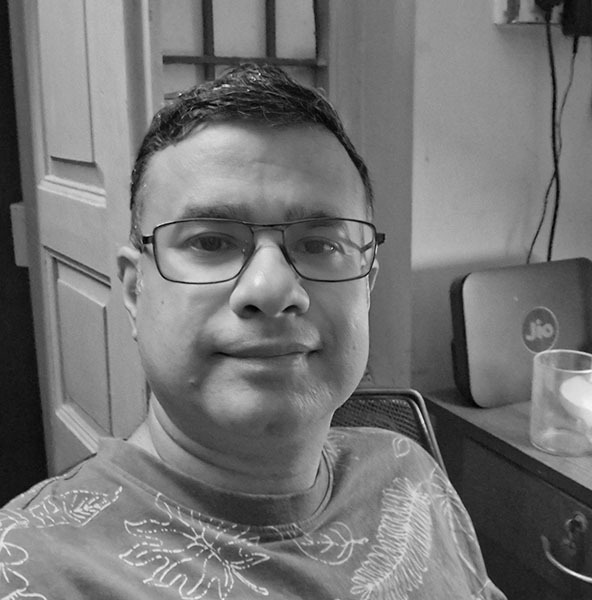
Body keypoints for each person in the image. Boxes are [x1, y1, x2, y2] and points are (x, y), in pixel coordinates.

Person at [0, 64, 505, 600]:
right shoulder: (33, 569)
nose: (271, 288)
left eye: (320, 244)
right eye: (210, 242)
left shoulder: (409, 472)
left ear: (367, 285)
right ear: (133, 290)